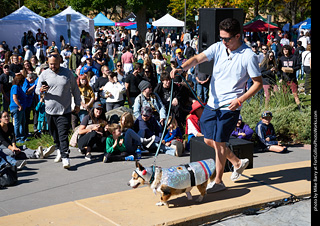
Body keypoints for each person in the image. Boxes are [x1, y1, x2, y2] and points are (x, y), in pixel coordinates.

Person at [171, 18, 263, 193]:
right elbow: (198, 58)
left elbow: (257, 83)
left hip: (230, 106)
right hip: (212, 103)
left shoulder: (248, 56)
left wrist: (240, 100)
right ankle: (236, 162)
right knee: (208, 139)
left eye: (227, 39)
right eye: (221, 38)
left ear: (238, 36)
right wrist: (182, 68)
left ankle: (219, 181)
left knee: (220, 143)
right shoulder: (219, 47)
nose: (223, 42)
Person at [35, 54, 81, 169]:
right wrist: (41, 90)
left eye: (55, 64)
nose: (52, 66)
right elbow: (37, 89)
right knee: (54, 133)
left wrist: (78, 103)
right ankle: (59, 149)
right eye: (50, 64)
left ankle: (66, 157)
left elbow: (75, 89)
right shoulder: (44, 74)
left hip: (64, 110)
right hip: (49, 110)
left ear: (60, 61)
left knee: (63, 133)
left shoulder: (68, 73)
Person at [10, 74, 27, 142]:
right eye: (22, 80)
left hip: (21, 108)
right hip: (16, 107)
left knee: (22, 122)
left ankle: (22, 136)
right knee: (17, 123)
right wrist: (19, 105)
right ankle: (17, 138)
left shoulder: (19, 87)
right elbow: (14, 98)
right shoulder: (15, 87)